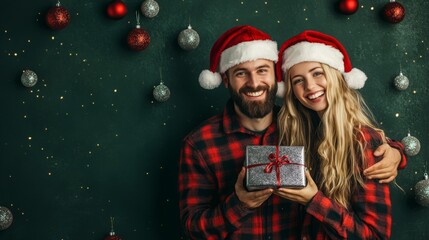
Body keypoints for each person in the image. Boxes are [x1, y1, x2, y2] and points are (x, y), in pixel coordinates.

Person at [179, 25, 404, 239]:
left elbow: (353, 138)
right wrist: (240, 203)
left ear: (275, 78)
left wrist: (395, 152)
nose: (254, 82)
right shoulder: (199, 144)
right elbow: (194, 229)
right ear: (225, 79)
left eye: (262, 70)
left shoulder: (302, 124)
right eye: (241, 73)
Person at [275, 30, 405, 239]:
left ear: (335, 75)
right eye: (298, 80)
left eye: (317, 73)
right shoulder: (297, 132)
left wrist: (313, 201)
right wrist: (399, 150)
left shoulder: (363, 142)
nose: (310, 86)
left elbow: (375, 236)